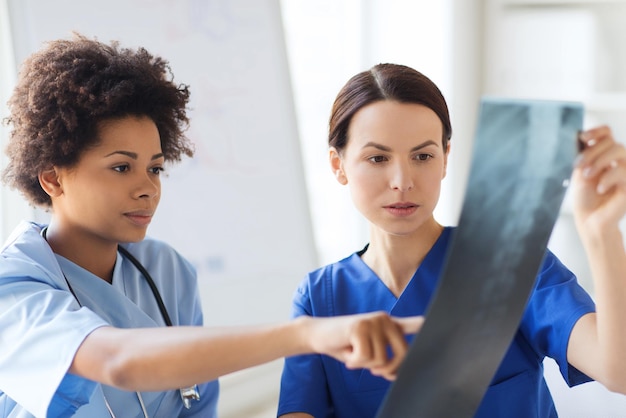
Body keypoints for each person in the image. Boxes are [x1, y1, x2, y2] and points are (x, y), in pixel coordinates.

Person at [0, 37, 424, 418]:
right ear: (53, 177)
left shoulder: (167, 271)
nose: (147, 188)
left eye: (155, 168)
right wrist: (307, 334)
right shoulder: (13, 287)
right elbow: (116, 362)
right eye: (121, 167)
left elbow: (197, 406)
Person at [277, 63, 626, 418]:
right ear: (338, 165)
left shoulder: (511, 262)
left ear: (445, 158)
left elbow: (619, 372)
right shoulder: (320, 298)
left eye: (422, 156)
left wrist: (603, 232)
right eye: (378, 158)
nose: (402, 181)